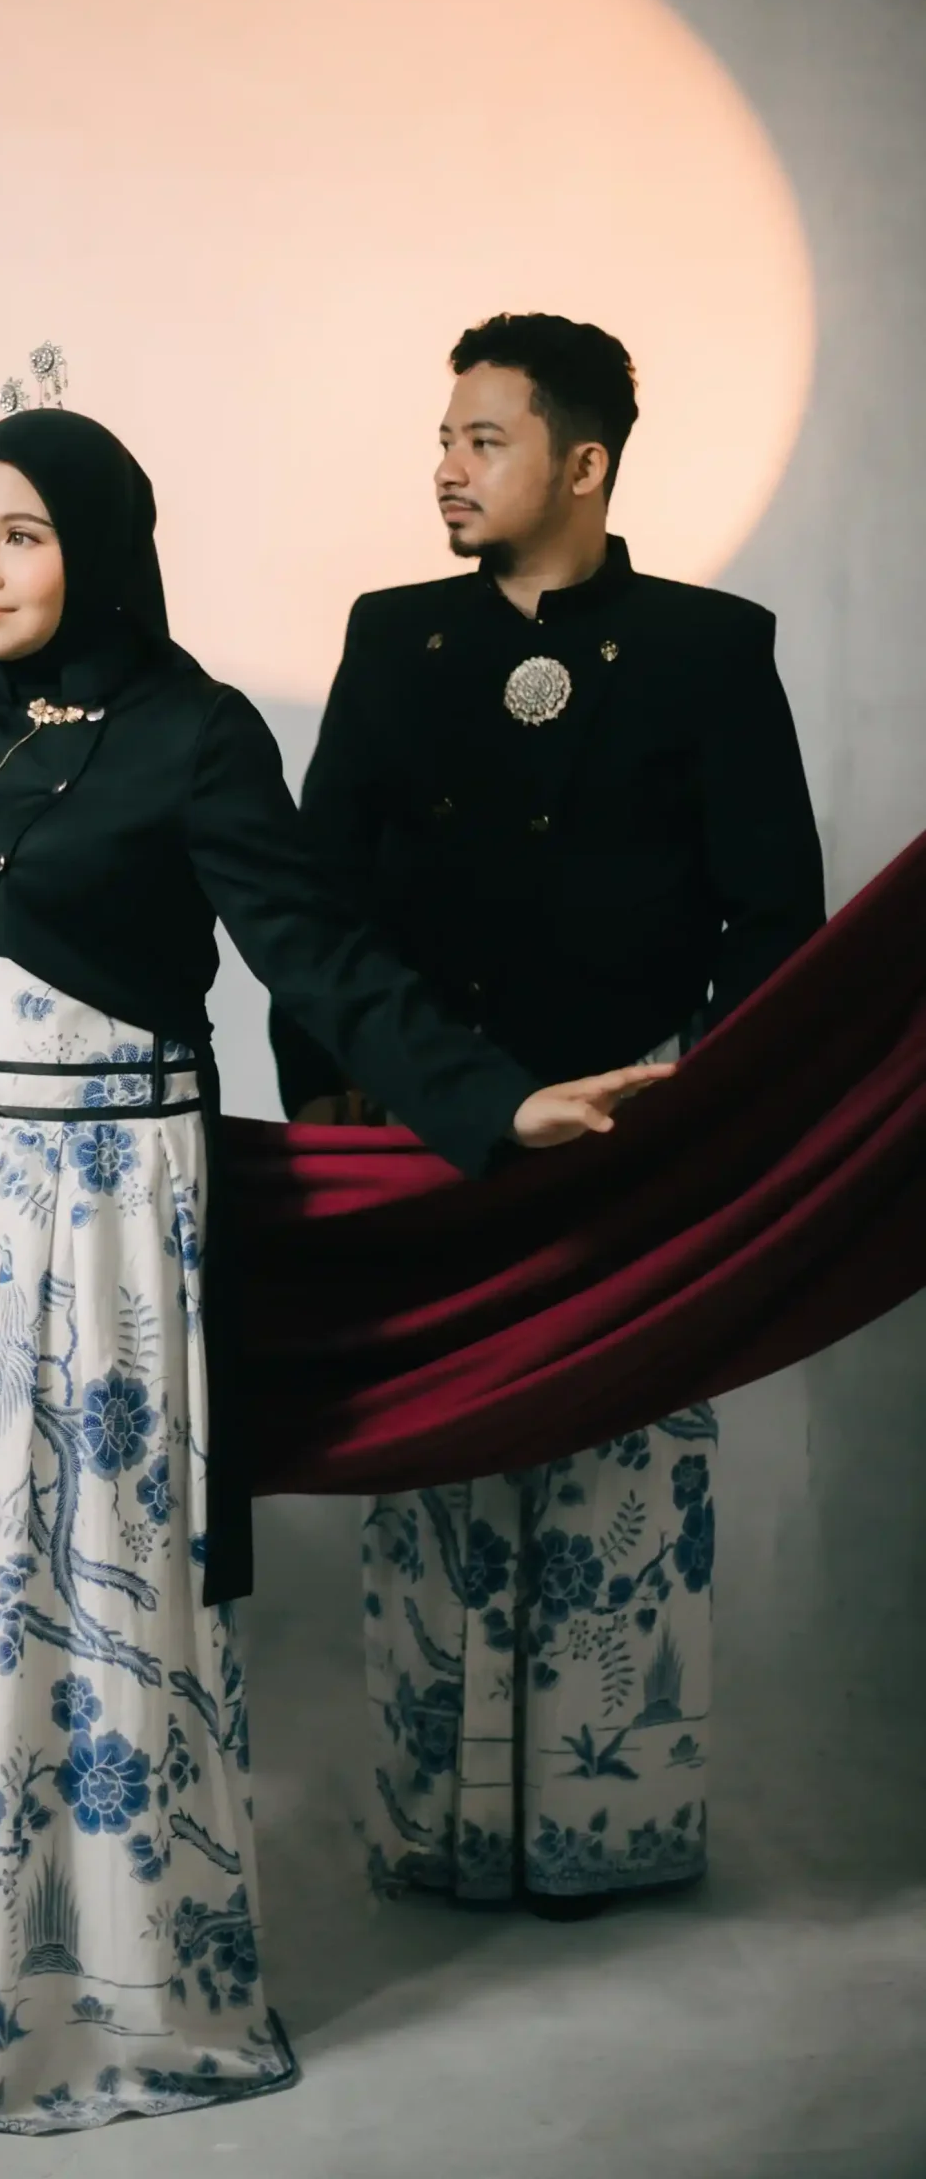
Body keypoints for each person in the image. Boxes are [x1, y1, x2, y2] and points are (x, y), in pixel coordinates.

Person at [0, 408, 668, 2130]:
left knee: (103, 1569)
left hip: (105, 1203)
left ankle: (129, 1989)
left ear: (100, 549)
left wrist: (493, 1102)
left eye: (22, 534)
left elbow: (318, 955)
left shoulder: (192, 734)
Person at [271, 313, 825, 1917]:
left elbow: (772, 917)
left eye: (482, 440)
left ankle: (604, 1834)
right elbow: (316, 904)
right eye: (441, 440)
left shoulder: (710, 650)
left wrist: (697, 1104)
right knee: (434, 1481)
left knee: (618, 1485)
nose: (445, 468)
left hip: (628, 1144)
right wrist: (335, 1095)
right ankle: (436, 1831)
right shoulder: (391, 640)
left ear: (580, 465)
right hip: (422, 1134)